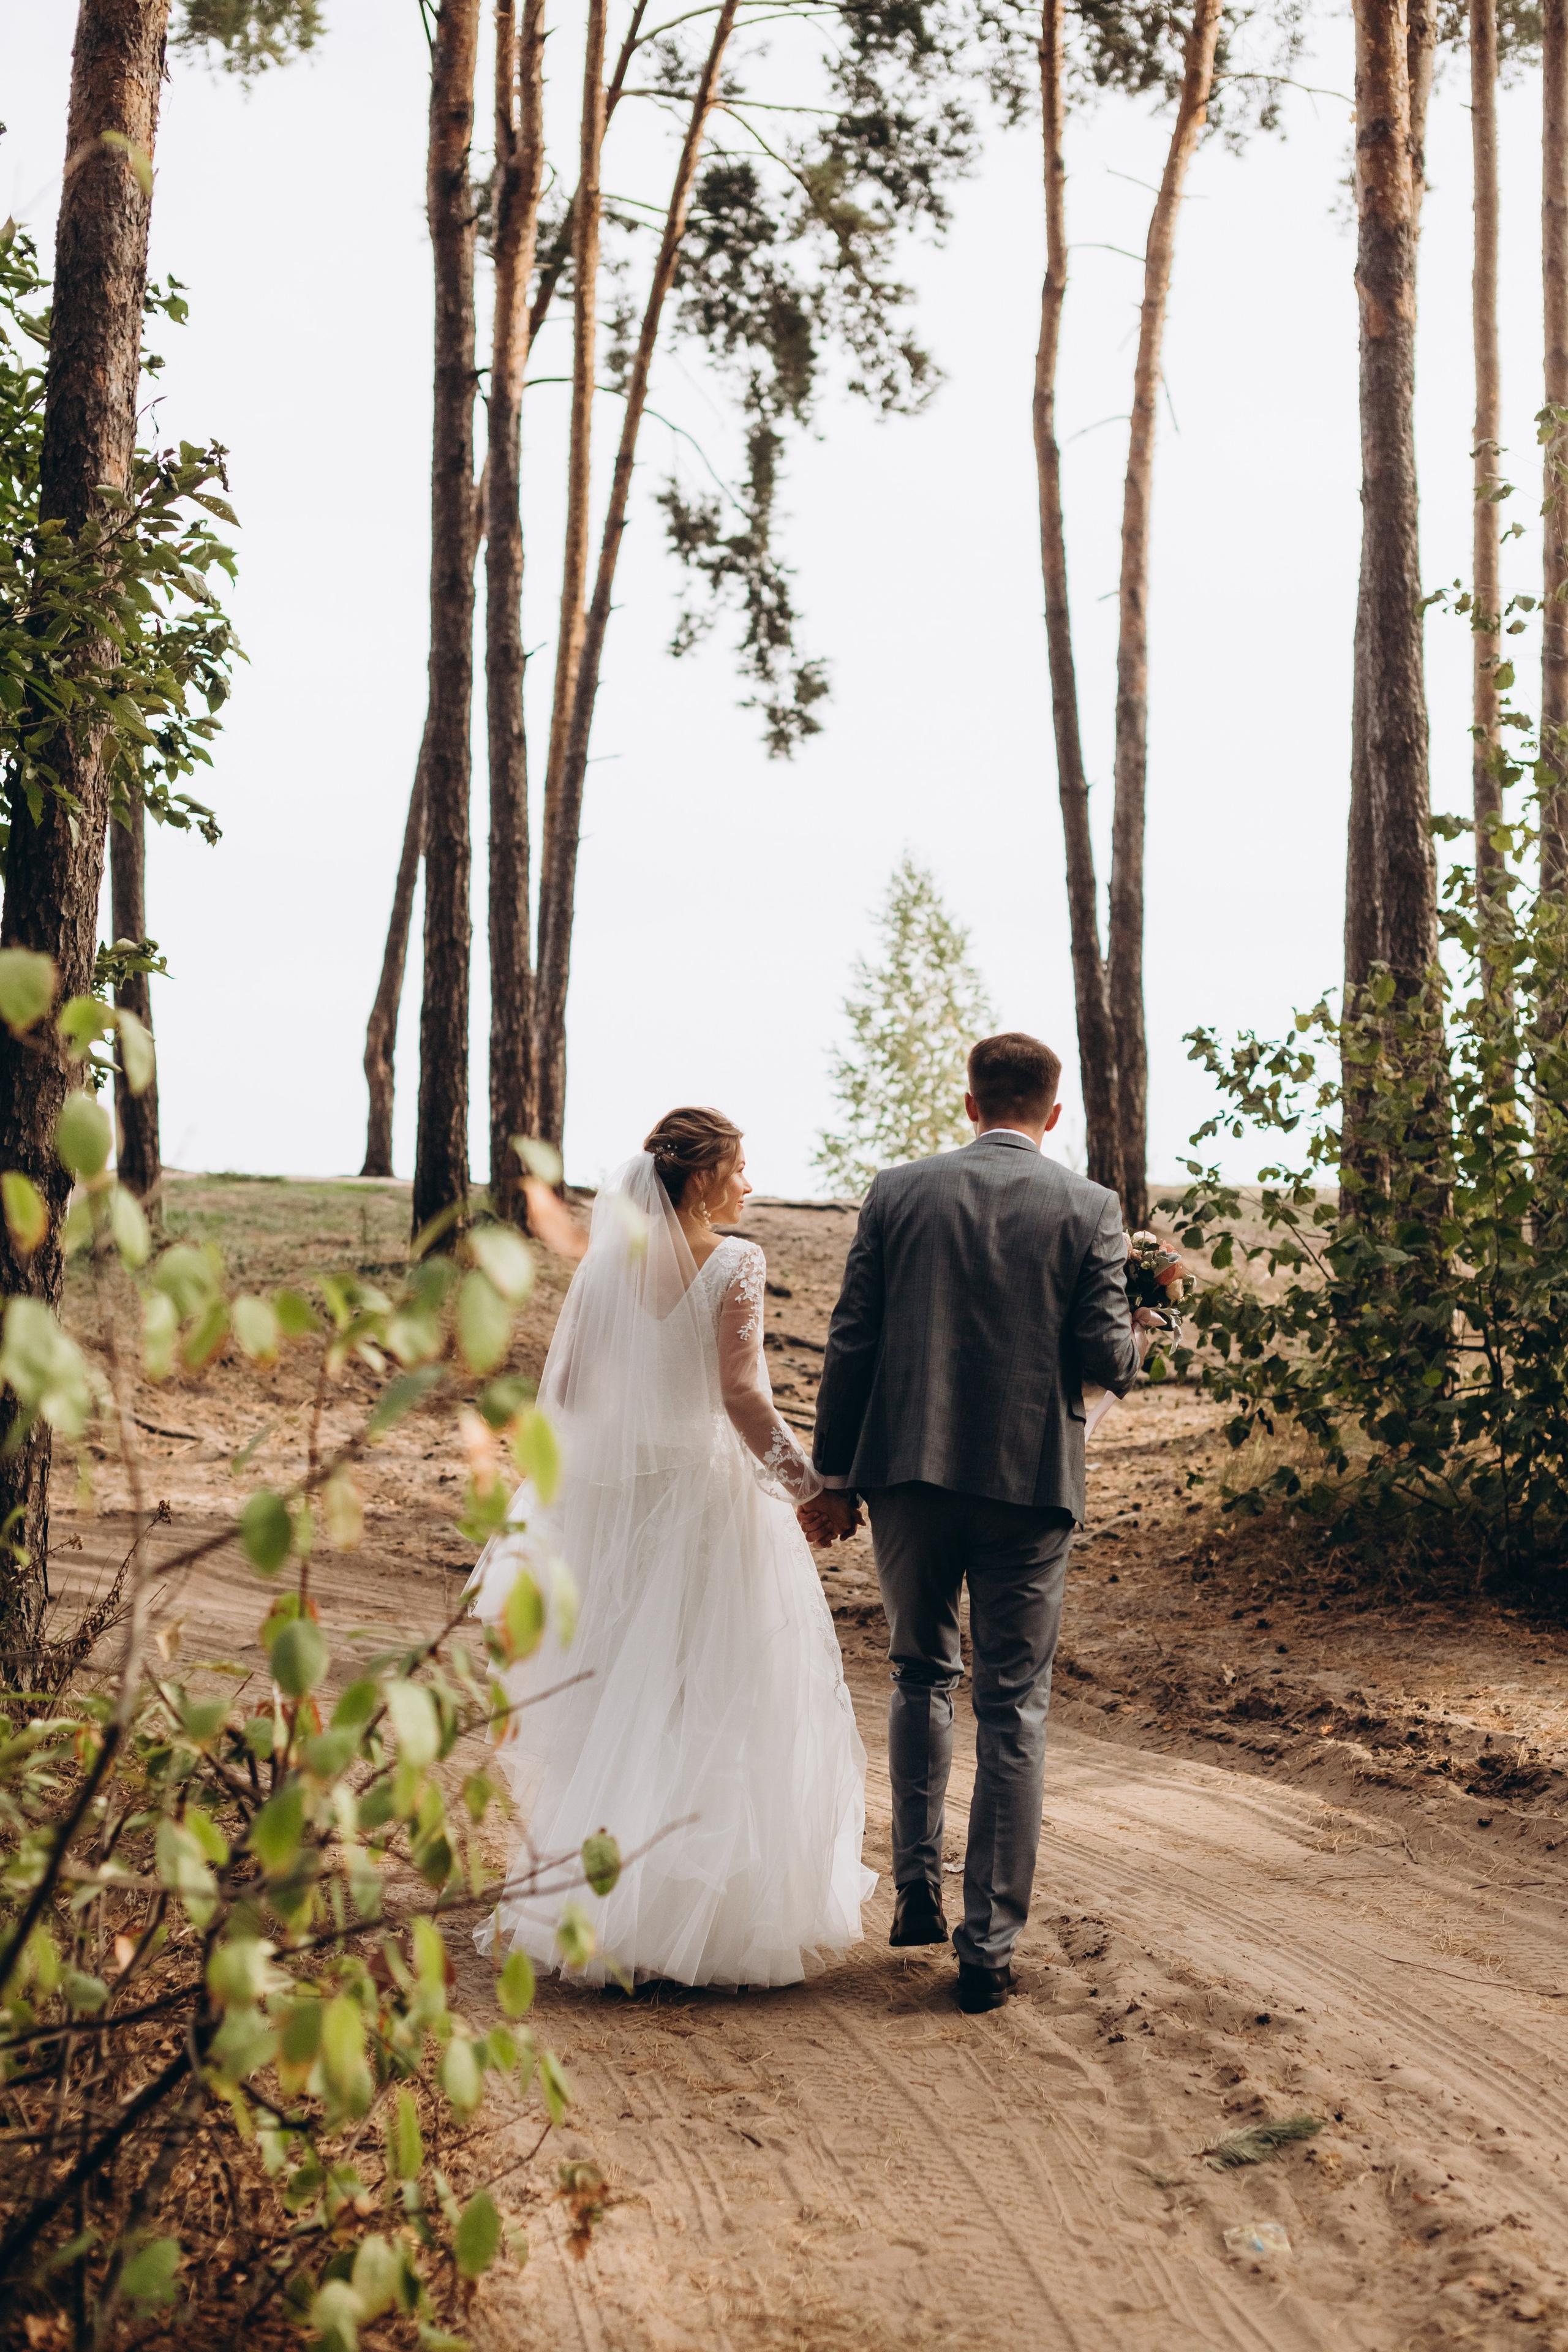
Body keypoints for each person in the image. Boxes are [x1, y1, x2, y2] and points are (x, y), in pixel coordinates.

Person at [468, 1107, 873, 1990]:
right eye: (739, 1168)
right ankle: (699, 1922)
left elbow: (571, 1388)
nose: (749, 1185)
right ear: (702, 1179)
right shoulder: (734, 1260)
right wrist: (813, 1488)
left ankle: (599, 1916)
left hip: (624, 1507)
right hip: (707, 1504)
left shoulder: (612, 1264)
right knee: (717, 1694)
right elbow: (743, 1397)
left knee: (628, 1697)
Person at [802, 1033, 1159, 2014]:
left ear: (971, 1104)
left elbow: (852, 1341)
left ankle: (914, 1883)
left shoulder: (896, 1192)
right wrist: (1148, 1319)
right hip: (1027, 1486)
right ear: (1055, 1114)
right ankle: (989, 1944)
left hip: (909, 1477)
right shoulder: (1090, 1207)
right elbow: (1107, 1357)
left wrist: (837, 1475)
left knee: (921, 1674)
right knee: (1014, 1709)